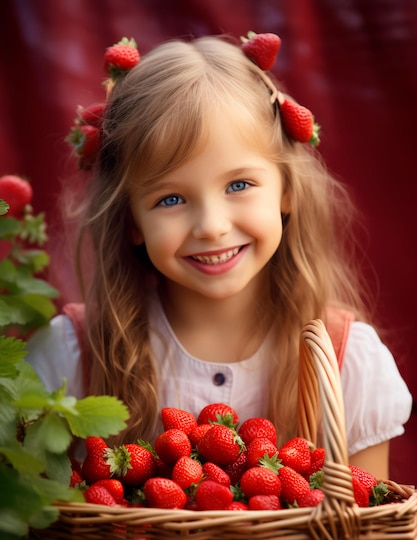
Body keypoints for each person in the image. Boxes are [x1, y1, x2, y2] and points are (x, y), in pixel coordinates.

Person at [26, 34, 412, 479]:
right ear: (130, 219)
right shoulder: (72, 357)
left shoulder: (348, 363)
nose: (212, 225)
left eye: (238, 185)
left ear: (286, 191)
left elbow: (369, 538)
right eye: (170, 199)